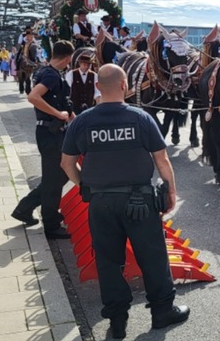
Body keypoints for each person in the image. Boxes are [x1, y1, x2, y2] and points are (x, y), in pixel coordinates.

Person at [60, 64, 190, 339]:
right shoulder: (140, 118)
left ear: (98, 87)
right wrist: (170, 193)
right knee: (153, 256)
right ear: (123, 85)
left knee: (108, 261)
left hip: (101, 203)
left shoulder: (82, 121)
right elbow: (162, 160)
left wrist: (85, 185)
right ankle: (162, 312)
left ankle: (117, 322)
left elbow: (66, 163)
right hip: (140, 202)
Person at [10, 40, 75, 239]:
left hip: (52, 132)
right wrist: (58, 114)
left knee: (59, 176)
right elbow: (33, 97)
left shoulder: (48, 72)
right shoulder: (51, 75)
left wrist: (73, 119)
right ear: (67, 58)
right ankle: (51, 224)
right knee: (55, 178)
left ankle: (24, 209)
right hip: (51, 133)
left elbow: (62, 104)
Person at [17, 30, 39, 95]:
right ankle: (17, 66)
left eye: (31, 36)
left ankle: (36, 64)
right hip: (24, 54)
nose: (30, 37)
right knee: (18, 57)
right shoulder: (24, 41)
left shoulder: (33, 42)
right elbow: (21, 46)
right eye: (28, 36)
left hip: (31, 56)